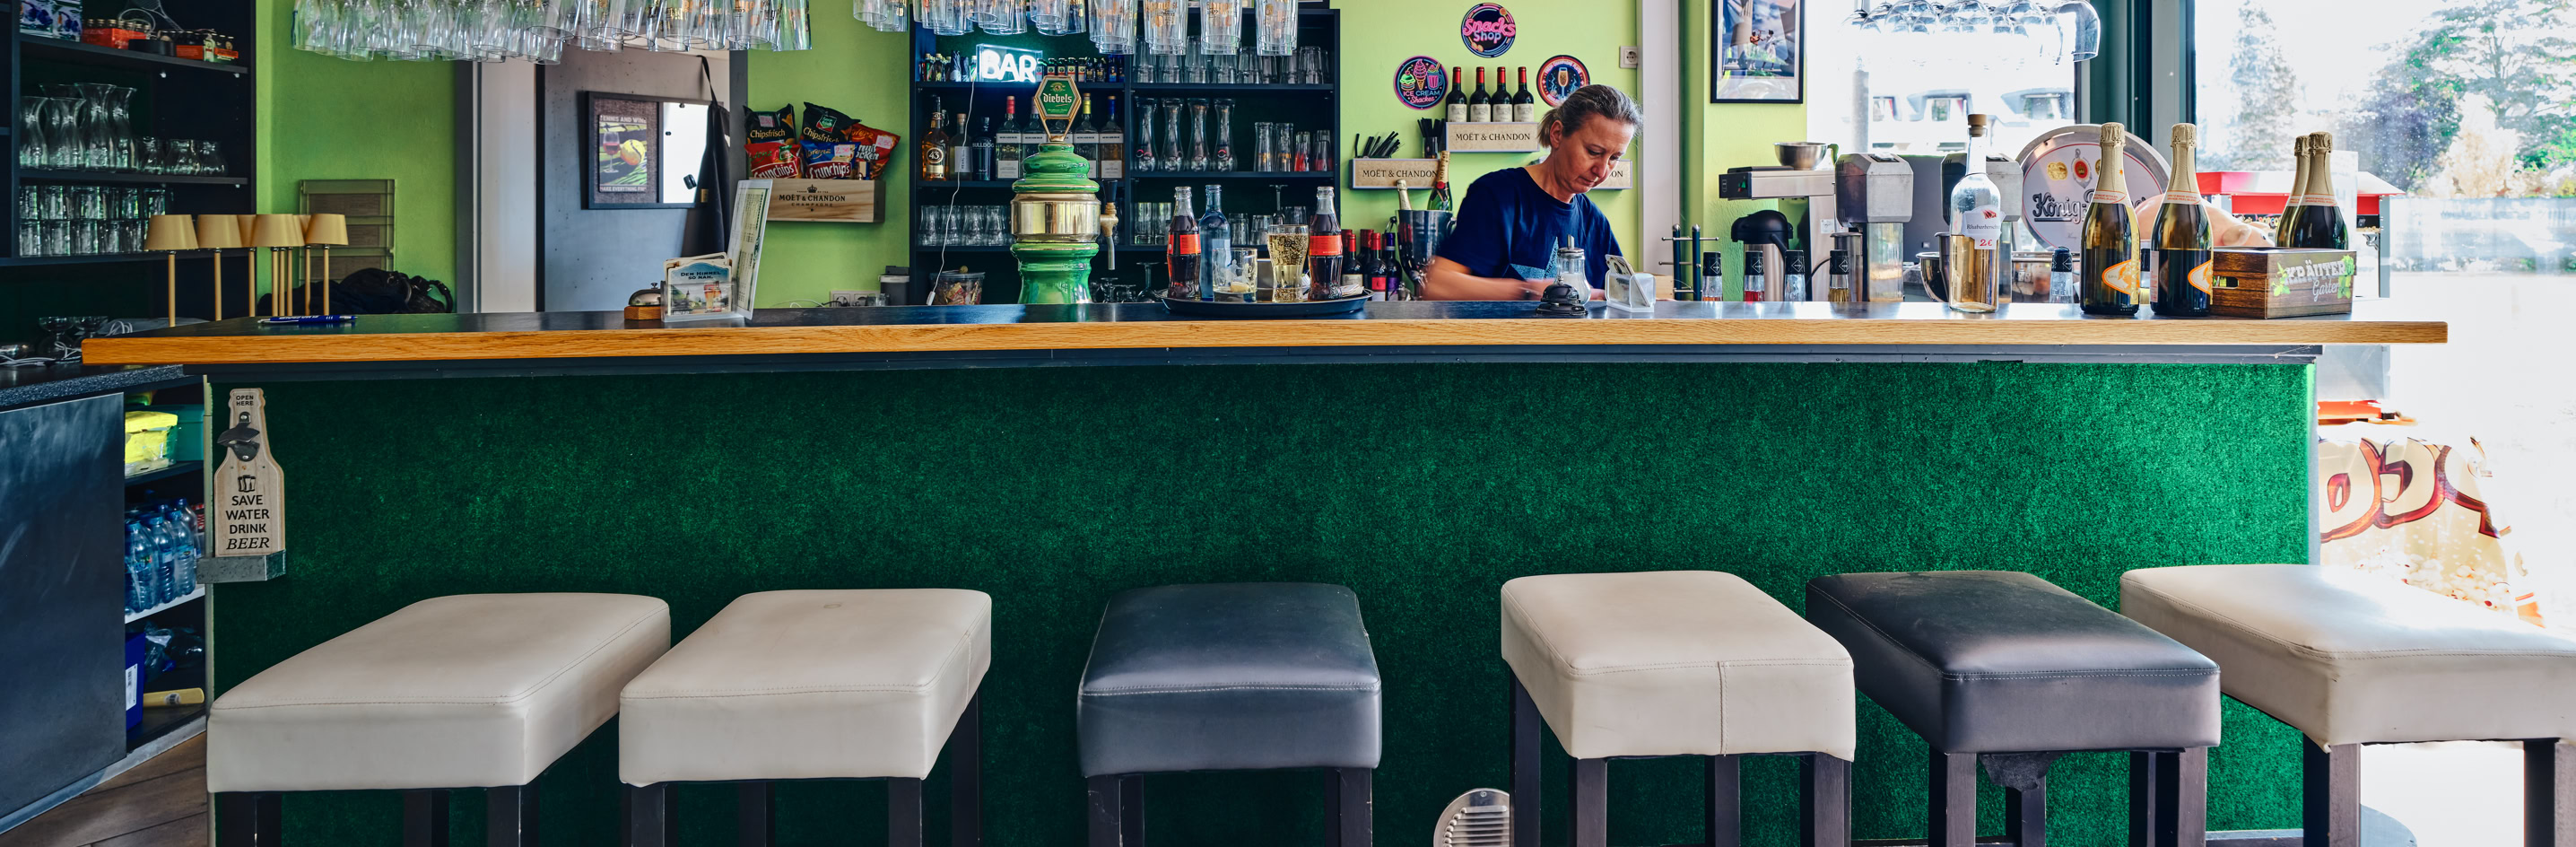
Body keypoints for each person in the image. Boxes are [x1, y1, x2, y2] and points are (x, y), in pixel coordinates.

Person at [1422, 84, 1638, 301]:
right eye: (1593, 152)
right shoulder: (1496, 196)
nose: (1601, 170)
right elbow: (1439, 285)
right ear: (1557, 134)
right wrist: (1532, 291)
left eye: (1614, 158)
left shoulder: (1595, 222)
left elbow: (1620, 296)